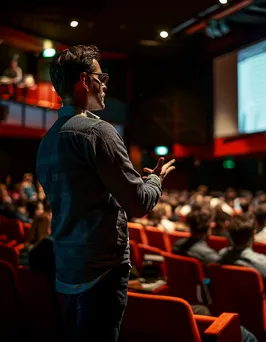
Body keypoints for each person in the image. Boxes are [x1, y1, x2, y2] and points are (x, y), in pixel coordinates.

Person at [36, 45, 175, 342]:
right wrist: (156, 181)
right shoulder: (98, 132)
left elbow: (85, 192)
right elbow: (138, 204)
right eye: (102, 77)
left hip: (68, 267)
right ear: (85, 80)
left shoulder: (46, 142)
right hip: (101, 269)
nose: (105, 83)